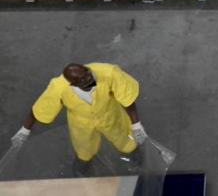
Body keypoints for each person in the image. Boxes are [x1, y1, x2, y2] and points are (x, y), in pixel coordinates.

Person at [9, 63, 148, 173]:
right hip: (82, 124)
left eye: (87, 73)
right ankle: (84, 161)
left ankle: (134, 152)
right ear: (72, 84)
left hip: (111, 115)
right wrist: (24, 131)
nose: (90, 78)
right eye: (83, 80)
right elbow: (39, 109)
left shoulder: (108, 73)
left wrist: (136, 125)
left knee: (124, 137)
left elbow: (127, 100)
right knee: (84, 146)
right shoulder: (58, 88)